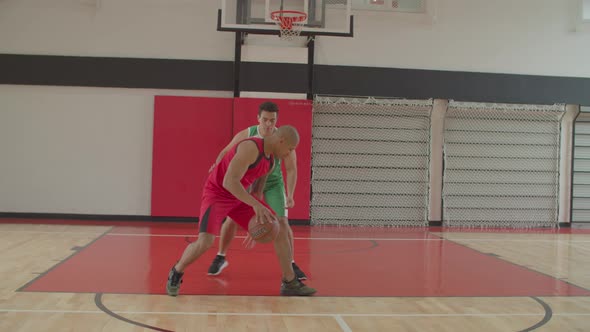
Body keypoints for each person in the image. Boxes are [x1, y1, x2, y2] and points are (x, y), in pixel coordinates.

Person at [166, 125, 316, 296]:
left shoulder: (271, 161)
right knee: (205, 241)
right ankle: (177, 271)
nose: (289, 153)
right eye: (290, 149)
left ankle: (290, 282)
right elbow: (229, 182)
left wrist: (256, 221)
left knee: (279, 225)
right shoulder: (250, 148)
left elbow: (257, 192)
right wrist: (255, 205)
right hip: (218, 194)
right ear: (281, 141)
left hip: (240, 196)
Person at [207, 101, 307, 280]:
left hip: (273, 182)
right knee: (231, 220)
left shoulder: (283, 138)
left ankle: (290, 263)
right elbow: (226, 151)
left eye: (272, 120)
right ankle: (221, 256)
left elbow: (291, 168)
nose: (269, 124)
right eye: (265, 120)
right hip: (248, 179)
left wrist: (290, 194)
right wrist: (216, 166)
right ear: (258, 119)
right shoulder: (248, 133)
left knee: (282, 222)